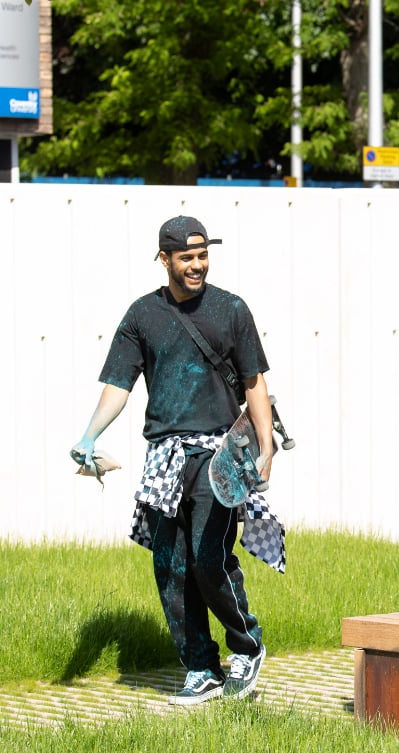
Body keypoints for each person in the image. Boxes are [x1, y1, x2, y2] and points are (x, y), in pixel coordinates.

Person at [70, 215, 283, 706]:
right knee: (170, 566)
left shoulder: (231, 309)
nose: (197, 265)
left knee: (209, 558)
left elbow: (254, 383)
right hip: (164, 458)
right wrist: (89, 435)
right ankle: (201, 668)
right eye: (186, 257)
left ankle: (246, 646)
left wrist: (266, 447)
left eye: (202, 255)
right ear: (164, 259)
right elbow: (118, 385)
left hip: (220, 457)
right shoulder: (142, 316)